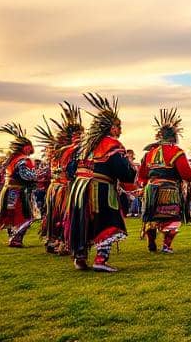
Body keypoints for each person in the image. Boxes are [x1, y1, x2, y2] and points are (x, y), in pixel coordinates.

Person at [65, 93, 136, 272]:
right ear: (111, 128)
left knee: (83, 221)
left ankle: (80, 258)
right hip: (100, 189)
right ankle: (100, 259)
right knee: (108, 220)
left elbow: (71, 169)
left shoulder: (84, 146)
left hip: (80, 189)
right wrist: (131, 170)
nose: (120, 131)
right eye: (118, 127)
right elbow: (123, 171)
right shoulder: (111, 144)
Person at [139, 108, 191, 253]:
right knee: (171, 217)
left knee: (152, 217)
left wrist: (144, 186)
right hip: (169, 189)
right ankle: (166, 245)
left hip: (150, 188)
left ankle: (151, 242)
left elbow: (142, 173)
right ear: (173, 137)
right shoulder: (176, 151)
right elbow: (186, 173)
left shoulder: (150, 153)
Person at [36, 102, 82, 255]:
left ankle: (52, 241)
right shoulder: (73, 150)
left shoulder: (56, 150)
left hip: (54, 188)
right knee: (64, 215)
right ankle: (62, 243)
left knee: (52, 214)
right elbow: (72, 170)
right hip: (65, 188)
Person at [0, 123, 38, 247]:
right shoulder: (23, 159)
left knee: (11, 214)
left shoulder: (11, 158)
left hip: (9, 190)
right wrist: (38, 175)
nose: (31, 149)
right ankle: (16, 238)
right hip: (20, 192)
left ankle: (12, 237)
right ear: (25, 147)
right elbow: (25, 175)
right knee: (27, 215)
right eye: (29, 147)